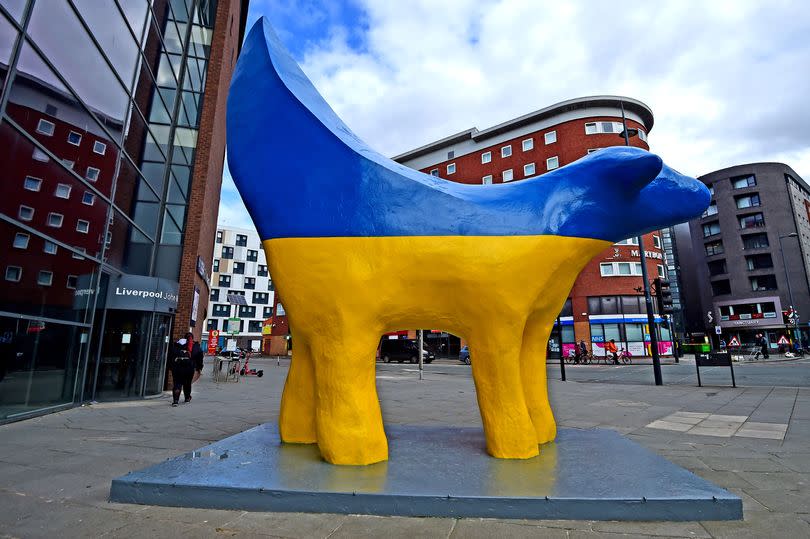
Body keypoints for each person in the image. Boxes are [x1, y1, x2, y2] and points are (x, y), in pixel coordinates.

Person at [170, 332, 204, 406]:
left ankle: (175, 401)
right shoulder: (195, 346)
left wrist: (171, 366)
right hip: (189, 367)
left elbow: (170, 356)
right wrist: (199, 367)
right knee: (187, 383)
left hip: (177, 367)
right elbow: (200, 357)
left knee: (177, 383)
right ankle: (187, 398)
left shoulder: (176, 345)